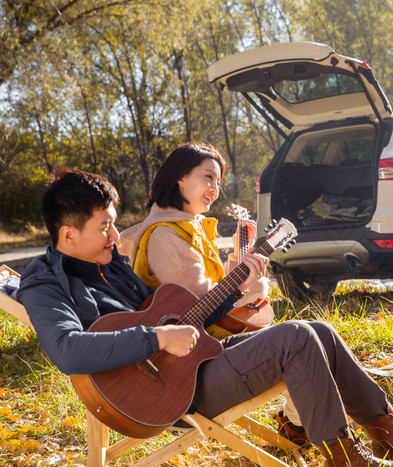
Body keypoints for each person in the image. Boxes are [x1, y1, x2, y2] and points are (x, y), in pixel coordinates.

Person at [18, 168, 393, 467]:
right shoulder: (45, 284)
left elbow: (175, 315)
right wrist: (156, 338)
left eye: (115, 224)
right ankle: (344, 457)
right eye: (104, 228)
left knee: (319, 331)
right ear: (67, 234)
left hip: (194, 361)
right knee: (296, 338)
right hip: (167, 393)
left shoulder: (108, 262)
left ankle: (387, 430)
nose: (116, 236)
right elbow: (66, 349)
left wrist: (234, 286)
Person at [119, 142, 305, 444]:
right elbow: (204, 304)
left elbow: (216, 290)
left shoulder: (186, 229)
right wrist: (251, 283)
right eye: (208, 177)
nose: (215, 188)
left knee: (308, 335)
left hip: (207, 349)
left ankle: (300, 426)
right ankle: (300, 427)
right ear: (180, 177)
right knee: (302, 339)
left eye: (218, 182)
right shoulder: (166, 237)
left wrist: (240, 266)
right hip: (192, 370)